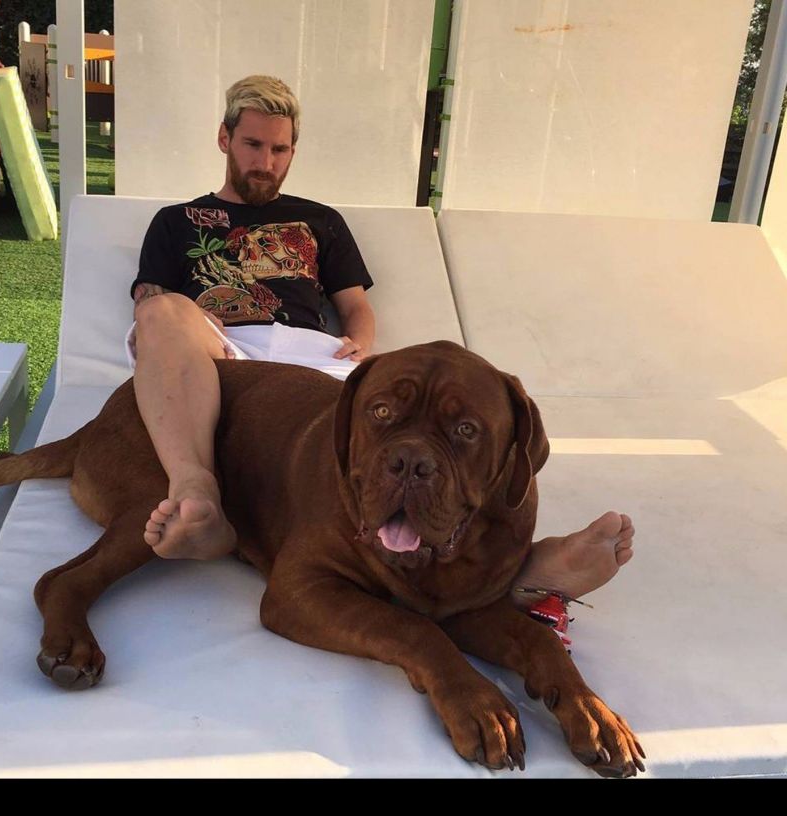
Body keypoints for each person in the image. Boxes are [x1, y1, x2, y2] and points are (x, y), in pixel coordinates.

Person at [128, 75, 635, 616]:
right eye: (254, 145)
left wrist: (359, 349)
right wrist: (177, 326)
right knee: (160, 312)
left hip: (310, 360)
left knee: (420, 464)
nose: (267, 161)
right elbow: (150, 309)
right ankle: (197, 491)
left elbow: (355, 308)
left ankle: (528, 566)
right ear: (225, 139)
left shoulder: (321, 221)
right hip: (224, 354)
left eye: (280, 149)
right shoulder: (175, 222)